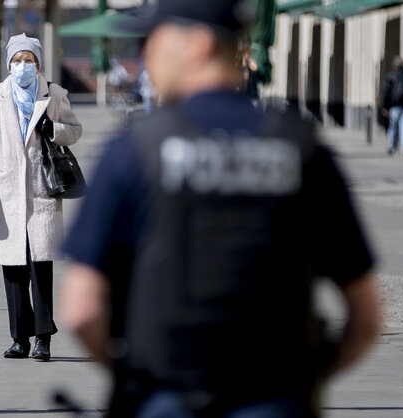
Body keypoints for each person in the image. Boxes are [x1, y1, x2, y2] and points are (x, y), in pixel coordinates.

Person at [60, 1, 383, 417]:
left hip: (165, 396)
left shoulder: (134, 151)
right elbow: (367, 314)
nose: (145, 55)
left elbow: (80, 308)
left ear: (198, 44)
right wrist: (306, 380)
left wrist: (133, 378)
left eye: (152, 40)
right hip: (275, 399)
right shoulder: (302, 149)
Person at [0, 33, 82, 361]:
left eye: (28, 60)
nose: (22, 66)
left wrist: (53, 128)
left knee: (41, 267)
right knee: (14, 269)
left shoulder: (53, 94)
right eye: (17, 61)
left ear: (38, 64)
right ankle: (20, 339)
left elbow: (75, 129)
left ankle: (43, 338)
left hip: (42, 190)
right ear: (8, 64)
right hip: (8, 194)